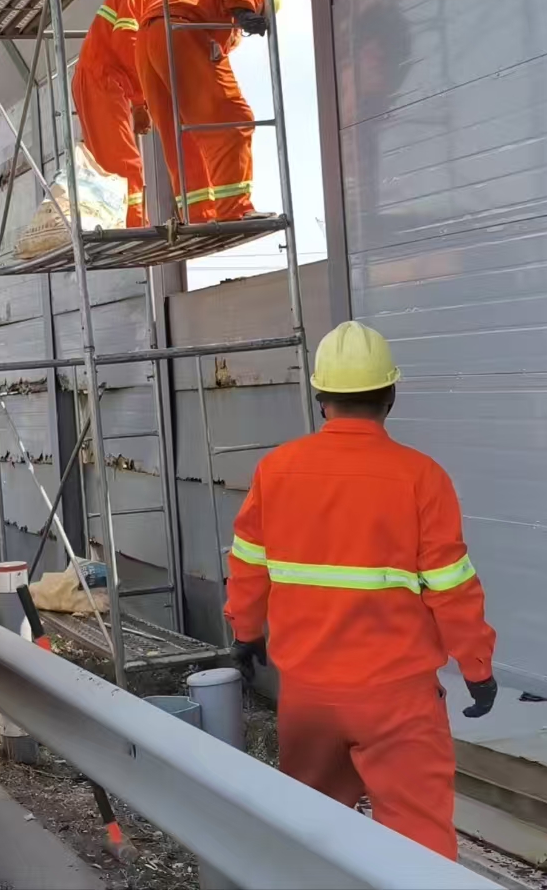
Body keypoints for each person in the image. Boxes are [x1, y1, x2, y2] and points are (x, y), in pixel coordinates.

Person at [223, 320, 498, 859]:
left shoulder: (276, 471)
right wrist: (477, 666)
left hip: (307, 694)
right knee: (419, 846)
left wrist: (247, 631)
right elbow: (452, 587)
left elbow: (249, 562)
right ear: (390, 395)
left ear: (320, 397)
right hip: (397, 699)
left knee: (309, 838)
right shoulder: (422, 477)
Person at [71, 0, 209, 228]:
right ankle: (132, 225)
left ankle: (124, 222)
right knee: (124, 162)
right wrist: (140, 102)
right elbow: (128, 44)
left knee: (115, 162)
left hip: (111, 80)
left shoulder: (157, 2)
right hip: (102, 79)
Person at [135, 0, 275, 222]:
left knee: (182, 132)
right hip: (181, 27)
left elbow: (220, 47)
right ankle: (234, 209)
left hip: (150, 35)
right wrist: (245, 11)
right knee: (232, 119)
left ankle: (198, 213)